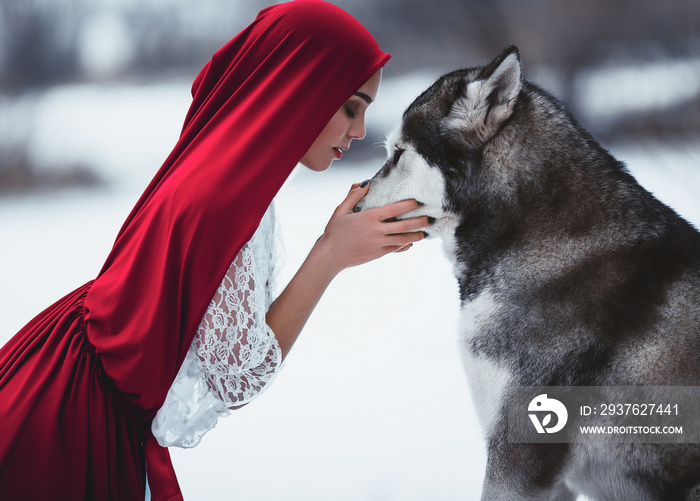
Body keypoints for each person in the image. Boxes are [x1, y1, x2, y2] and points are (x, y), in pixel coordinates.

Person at [0, 1, 429, 500]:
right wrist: (330, 255)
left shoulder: (220, 169)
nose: (358, 131)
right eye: (351, 106)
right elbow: (238, 376)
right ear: (298, 88)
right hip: (70, 424)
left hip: (62, 379)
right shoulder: (225, 200)